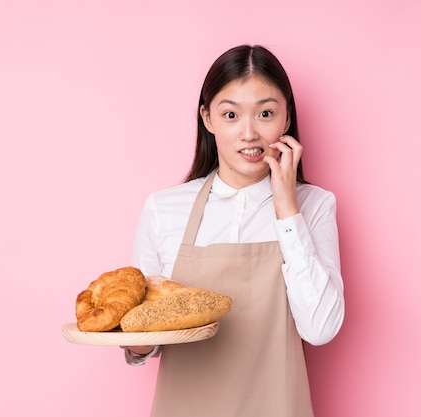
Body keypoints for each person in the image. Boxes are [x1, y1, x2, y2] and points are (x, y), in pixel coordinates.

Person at [124, 44, 345, 417]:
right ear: (207, 119)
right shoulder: (164, 209)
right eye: (230, 114)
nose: (249, 133)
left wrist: (287, 209)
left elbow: (320, 329)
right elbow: (146, 333)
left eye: (265, 113)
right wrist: (138, 343)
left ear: (287, 116)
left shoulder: (314, 206)